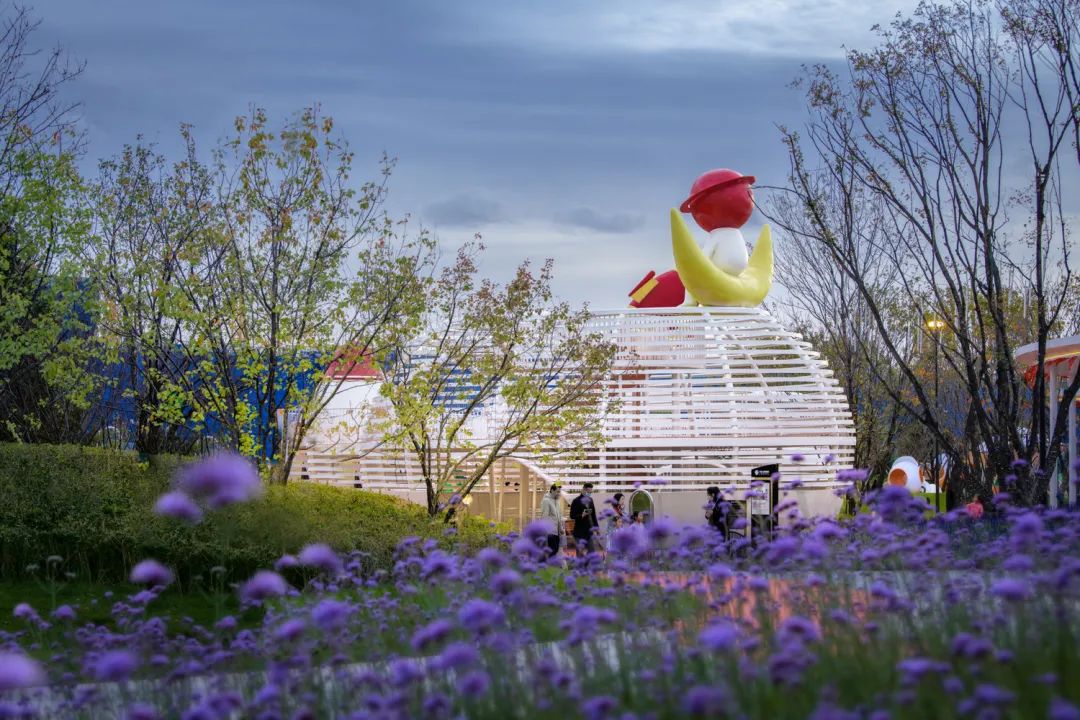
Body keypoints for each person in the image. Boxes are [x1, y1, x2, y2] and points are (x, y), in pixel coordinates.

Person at [569, 482, 600, 554]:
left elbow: (593, 515)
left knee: (592, 552)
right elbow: (572, 515)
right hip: (579, 532)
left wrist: (597, 528)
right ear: (583, 489)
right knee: (580, 554)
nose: (589, 493)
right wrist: (581, 515)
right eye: (588, 492)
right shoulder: (576, 501)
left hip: (589, 532)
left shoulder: (590, 500)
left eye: (590, 492)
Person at [540, 483, 564, 557]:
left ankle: (551, 565)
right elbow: (545, 516)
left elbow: (559, 516)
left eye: (559, 492)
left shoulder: (557, 501)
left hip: (556, 531)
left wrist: (561, 528)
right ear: (552, 490)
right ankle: (550, 565)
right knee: (552, 550)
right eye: (557, 491)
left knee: (556, 549)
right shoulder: (546, 501)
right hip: (550, 531)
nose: (558, 493)